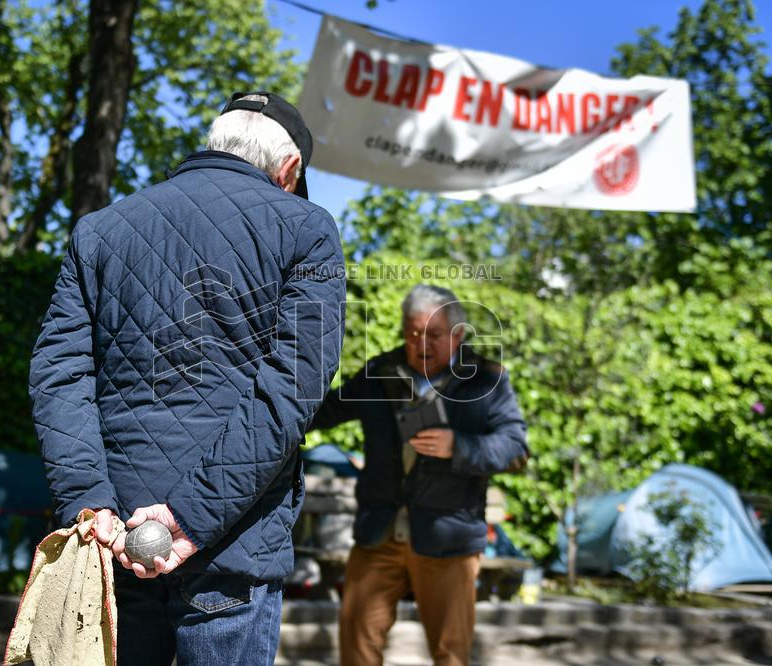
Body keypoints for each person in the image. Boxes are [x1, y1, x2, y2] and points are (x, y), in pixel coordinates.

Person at [29, 91, 345, 665]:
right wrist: (190, 519)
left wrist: (90, 504)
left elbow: (59, 375)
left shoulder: (99, 230)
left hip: (115, 540)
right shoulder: (307, 229)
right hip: (233, 546)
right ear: (290, 169)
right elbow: (292, 389)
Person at [309, 284, 528, 666]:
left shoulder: (486, 380)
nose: (421, 344)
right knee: (356, 646)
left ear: (458, 335)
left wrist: (459, 446)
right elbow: (324, 412)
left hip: (449, 538)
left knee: (451, 654)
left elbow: (515, 450)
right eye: (412, 334)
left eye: (433, 334)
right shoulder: (380, 371)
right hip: (379, 532)